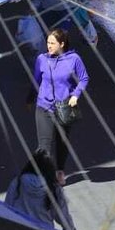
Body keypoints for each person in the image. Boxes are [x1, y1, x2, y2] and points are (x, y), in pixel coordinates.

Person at [33, 27, 89, 174]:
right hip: (44, 106)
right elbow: (36, 81)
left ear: (62, 44)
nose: (49, 46)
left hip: (64, 107)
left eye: (52, 43)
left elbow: (83, 78)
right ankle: (45, 177)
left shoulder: (74, 59)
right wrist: (29, 99)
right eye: (47, 43)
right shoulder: (41, 60)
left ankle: (59, 171)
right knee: (44, 146)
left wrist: (76, 95)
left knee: (62, 142)